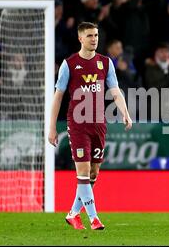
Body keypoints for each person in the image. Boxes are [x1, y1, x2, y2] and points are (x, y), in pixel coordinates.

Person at [48, 22, 132, 230]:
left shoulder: (105, 63)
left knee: (93, 173)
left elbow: (114, 91)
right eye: (89, 36)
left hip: (98, 123)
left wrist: (125, 113)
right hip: (77, 124)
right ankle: (94, 218)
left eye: (96, 35)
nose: (94, 39)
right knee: (83, 172)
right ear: (80, 39)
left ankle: (73, 213)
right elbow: (58, 97)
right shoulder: (70, 64)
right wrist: (51, 127)